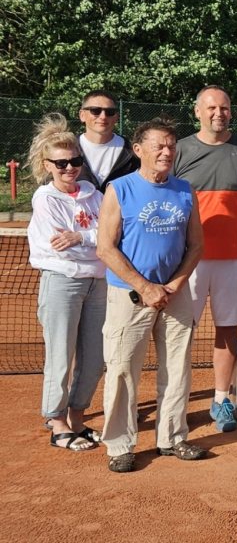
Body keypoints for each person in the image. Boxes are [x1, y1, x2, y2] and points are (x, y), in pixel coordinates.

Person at [97, 117, 205, 473]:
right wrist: (145, 287)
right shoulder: (119, 189)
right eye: (158, 145)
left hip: (175, 294)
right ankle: (120, 445)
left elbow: (196, 245)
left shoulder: (185, 190)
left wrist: (174, 285)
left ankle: (172, 438)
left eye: (171, 145)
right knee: (122, 369)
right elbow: (106, 248)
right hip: (130, 296)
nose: (166, 151)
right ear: (138, 149)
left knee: (177, 368)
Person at [173, 85, 237, 432]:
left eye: (224, 107)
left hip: (234, 259)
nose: (218, 113)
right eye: (211, 108)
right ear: (197, 111)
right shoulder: (179, 150)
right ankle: (174, 403)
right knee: (179, 331)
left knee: (227, 329)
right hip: (187, 259)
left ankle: (221, 399)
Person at [26, 113, 106, 451]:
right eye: (61, 163)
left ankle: (77, 417)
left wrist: (81, 237)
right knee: (60, 355)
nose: (69, 168)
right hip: (62, 282)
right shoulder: (45, 199)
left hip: (98, 283)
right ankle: (57, 421)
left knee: (96, 357)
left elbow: (110, 234)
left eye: (74, 161)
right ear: (47, 165)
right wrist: (92, 240)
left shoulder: (94, 194)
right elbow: (61, 245)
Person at [77, 90, 139, 191]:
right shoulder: (67, 148)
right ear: (82, 115)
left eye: (110, 112)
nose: (103, 116)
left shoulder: (132, 151)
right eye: (95, 111)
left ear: (116, 117)